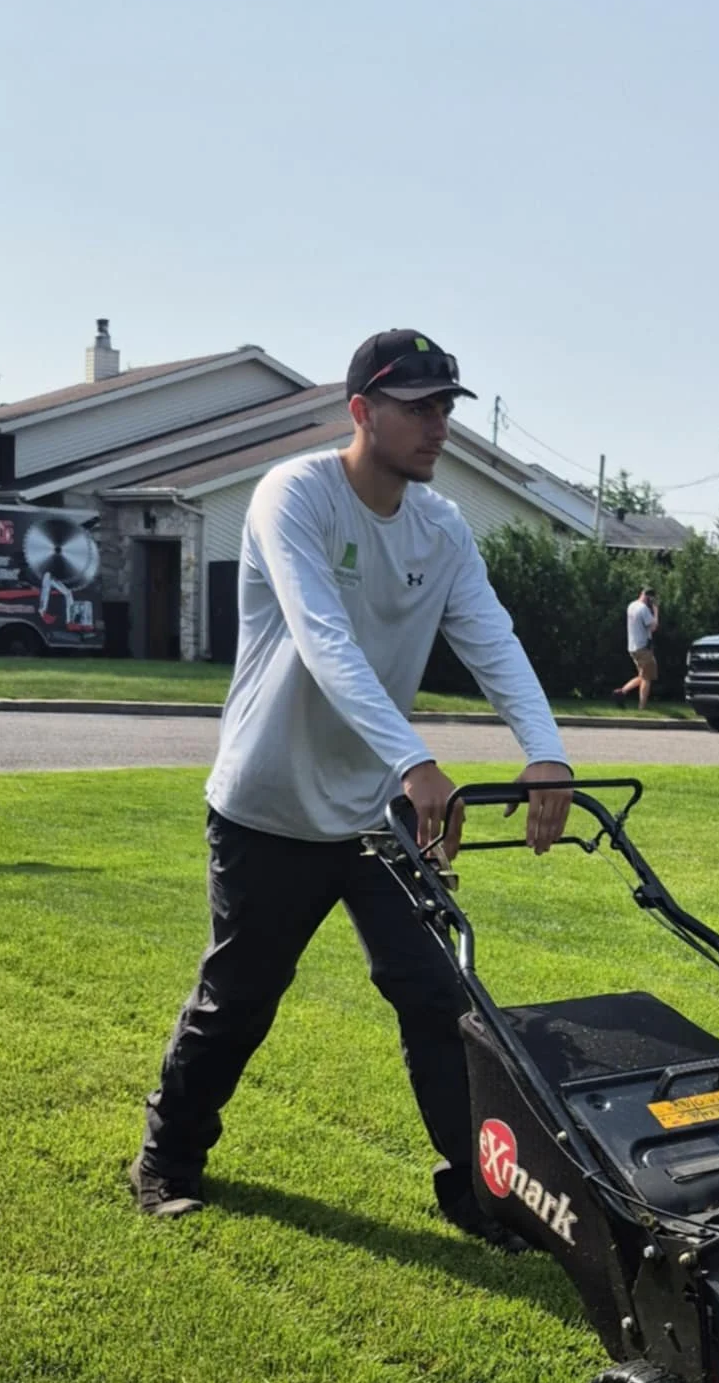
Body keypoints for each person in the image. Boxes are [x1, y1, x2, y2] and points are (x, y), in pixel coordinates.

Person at [129, 326, 573, 1228]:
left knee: (437, 997)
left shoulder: (441, 528)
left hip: (374, 815)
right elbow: (321, 640)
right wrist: (415, 760)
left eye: (446, 405)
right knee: (241, 997)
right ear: (362, 411)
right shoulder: (293, 497)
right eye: (417, 406)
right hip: (270, 806)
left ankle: (478, 1189)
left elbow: (490, 636)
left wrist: (545, 748)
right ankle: (166, 1160)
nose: (438, 425)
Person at [615, 582, 659, 709]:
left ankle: (621, 692)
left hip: (633, 647)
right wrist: (655, 612)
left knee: (642, 675)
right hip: (643, 647)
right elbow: (653, 627)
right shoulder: (644, 609)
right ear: (648, 598)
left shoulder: (631, 605)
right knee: (647, 678)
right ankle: (642, 707)